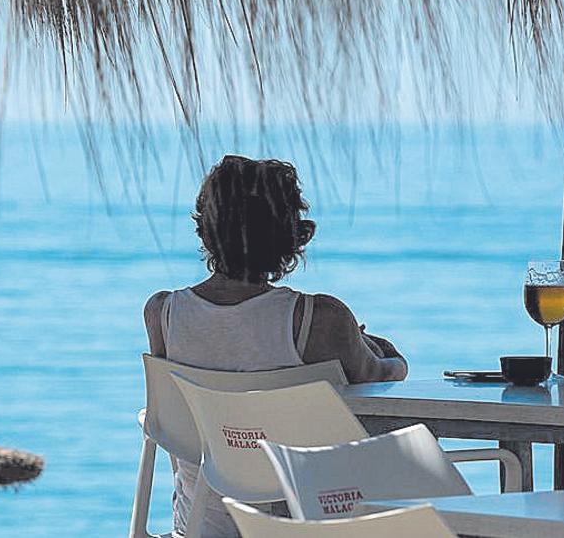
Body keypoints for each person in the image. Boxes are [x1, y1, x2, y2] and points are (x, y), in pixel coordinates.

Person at [143, 155, 407, 537]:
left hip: (199, 527)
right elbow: (386, 376)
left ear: (206, 231)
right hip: (307, 527)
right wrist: (379, 348)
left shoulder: (163, 314)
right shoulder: (321, 319)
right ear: (291, 233)